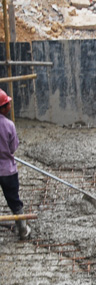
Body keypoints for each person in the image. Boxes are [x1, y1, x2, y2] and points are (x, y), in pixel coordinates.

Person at [0, 88, 31, 240]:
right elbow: (13, 148)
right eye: (8, 104)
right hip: (7, 171)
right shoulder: (9, 125)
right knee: (14, 201)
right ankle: (23, 230)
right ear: (3, 108)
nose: (10, 106)